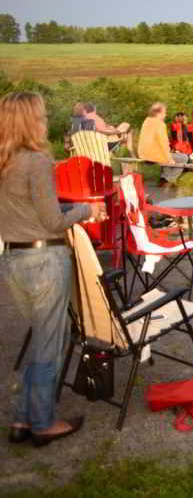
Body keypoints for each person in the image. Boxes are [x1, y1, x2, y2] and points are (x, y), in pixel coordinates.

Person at [1, 91, 103, 446]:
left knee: (39, 341)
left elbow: (28, 206)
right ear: (33, 118)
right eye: (41, 114)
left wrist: (65, 204)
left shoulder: (5, 159)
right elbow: (51, 220)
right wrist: (86, 211)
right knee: (51, 344)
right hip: (44, 260)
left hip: (12, 259)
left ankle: (22, 419)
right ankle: (42, 423)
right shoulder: (37, 160)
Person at [139, 102, 189, 187]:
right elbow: (163, 144)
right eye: (164, 112)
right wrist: (170, 159)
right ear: (159, 112)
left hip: (143, 154)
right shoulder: (160, 124)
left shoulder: (146, 121)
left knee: (168, 156)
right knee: (184, 157)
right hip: (154, 155)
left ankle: (164, 178)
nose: (166, 114)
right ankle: (168, 180)